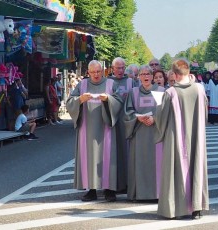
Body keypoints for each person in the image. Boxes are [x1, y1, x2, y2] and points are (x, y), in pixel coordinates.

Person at [154, 58, 209, 219]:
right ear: (187, 72)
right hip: (196, 136)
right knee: (196, 167)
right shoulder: (199, 89)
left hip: (175, 138)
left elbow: (161, 117)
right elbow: (204, 113)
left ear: (175, 75)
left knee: (177, 169)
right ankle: (197, 208)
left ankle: (177, 209)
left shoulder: (170, 92)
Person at [66, 60, 123, 202]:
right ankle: (90, 190)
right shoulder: (82, 84)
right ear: (88, 72)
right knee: (89, 157)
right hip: (87, 128)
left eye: (98, 71)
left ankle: (109, 190)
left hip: (106, 127)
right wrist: (80, 99)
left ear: (102, 71)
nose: (96, 74)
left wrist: (108, 99)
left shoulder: (110, 84)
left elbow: (119, 101)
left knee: (108, 157)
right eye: (93, 72)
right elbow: (69, 102)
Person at [124, 65, 165, 201]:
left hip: (156, 134)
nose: (146, 76)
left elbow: (165, 112)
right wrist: (137, 117)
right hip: (139, 133)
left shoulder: (160, 91)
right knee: (139, 163)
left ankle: (157, 193)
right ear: (139, 77)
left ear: (153, 76)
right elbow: (128, 112)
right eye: (142, 74)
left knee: (156, 164)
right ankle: (138, 193)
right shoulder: (133, 92)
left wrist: (155, 118)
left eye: (148, 74)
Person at [108, 57, 133, 193]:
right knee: (112, 154)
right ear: (112, 68)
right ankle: (113, 183)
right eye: (118, 68)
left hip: (126, 122)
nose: (121, 70)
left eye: (123, 67)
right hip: (112, 122)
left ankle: (128, 182)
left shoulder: (130, 82)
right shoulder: (108, 82)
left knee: (126, 153)